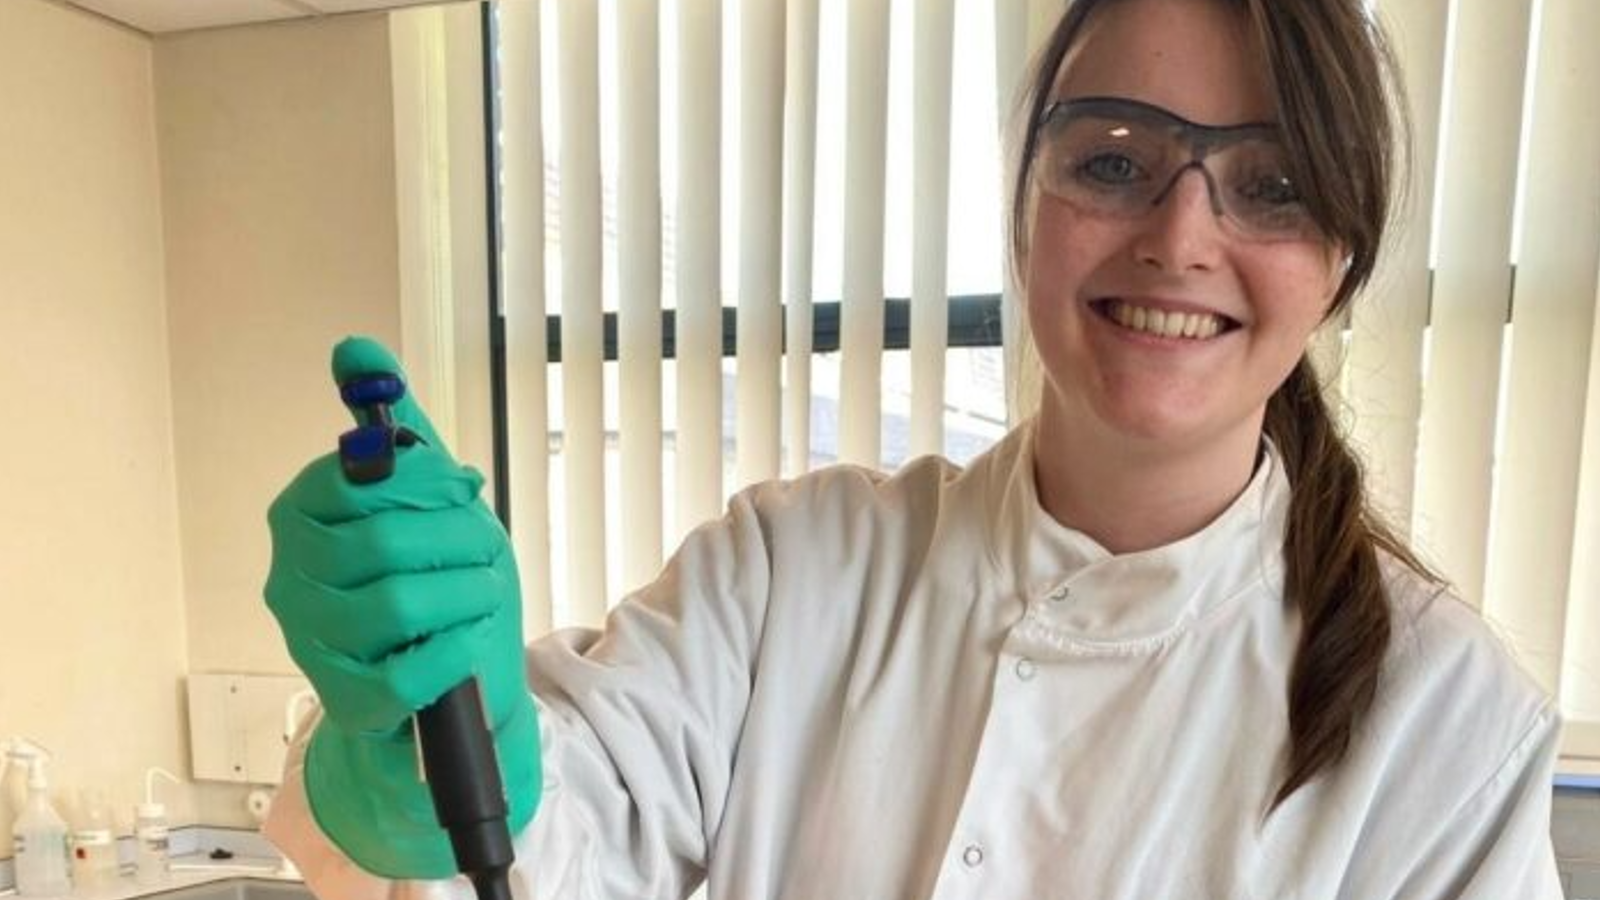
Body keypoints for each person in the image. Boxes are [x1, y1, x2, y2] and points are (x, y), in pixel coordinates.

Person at [263, 0, 1565, 896]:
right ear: (1024, 210)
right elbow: (547, 853)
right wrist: (424, 760)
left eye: (1271, 183)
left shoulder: (1447, 715)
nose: (1180, 234)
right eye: (1112, 162)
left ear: (1341, 266)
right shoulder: (794, 571)